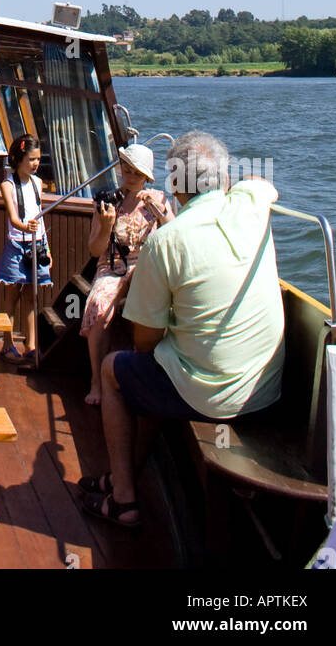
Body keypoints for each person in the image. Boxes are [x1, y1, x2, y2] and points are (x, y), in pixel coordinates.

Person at [81, 130, 285, 529]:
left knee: (114, 368)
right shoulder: (251, 205)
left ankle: (122, 499)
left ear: (173, 184)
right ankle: (125, 477)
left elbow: (144, 341)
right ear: (225, 178)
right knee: (165, 370)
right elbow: (263, 184)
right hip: (268, 387)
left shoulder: (167, 242)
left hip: (212, 397)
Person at [80, 144, 173, 405]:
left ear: (147, 176)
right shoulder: (108, 201)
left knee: (155, 306)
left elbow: (176, 233)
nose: (131, 177)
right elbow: (95, 249)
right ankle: (97, 381)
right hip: (111, 267)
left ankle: (144, 377)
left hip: (144, 268)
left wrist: (159, 212)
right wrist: (107, 226)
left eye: (138, 173)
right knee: (99, 305)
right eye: (127, 170)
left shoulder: (158, 200)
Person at [0, 134, 52, 366]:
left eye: (38, 159)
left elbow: (40, 220)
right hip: (17, 245)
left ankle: (31, 344)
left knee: (31, 296)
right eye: (31, 159)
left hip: (37, 244)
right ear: (18, 159)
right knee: (12, 295)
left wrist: (47, 248)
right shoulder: (7, 185)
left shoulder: (38, 184)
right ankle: (7, 343)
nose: (35, 164)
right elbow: (14, 218)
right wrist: (24, 227)